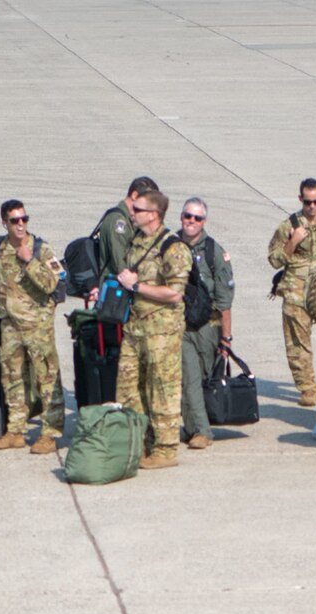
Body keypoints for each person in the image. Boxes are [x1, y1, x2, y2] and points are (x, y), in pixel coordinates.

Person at [113, 189, 192, 470]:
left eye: (137, 209)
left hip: (162, 330)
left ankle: (166, 448)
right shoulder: (137, 241)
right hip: (136, 326)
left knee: (162, 387)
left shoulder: (173, 247)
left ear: (154, 215)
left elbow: (174, 293)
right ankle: (141, 441)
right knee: (128, 387)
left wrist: (136, 286)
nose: (132, 213)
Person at [0, 199, 66, 453]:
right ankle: (16, 430)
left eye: (24, 219)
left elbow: (53, 284)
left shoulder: (41, 248)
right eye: (14, 220)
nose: (20, 225)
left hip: (37, 325)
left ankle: (49, 434)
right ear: (4, 222)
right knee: (13, 377)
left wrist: (29, 261)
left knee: (46, 378)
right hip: (10, 323)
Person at [267, 178, 316, 407]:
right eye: (308, 202)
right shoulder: (288, 226)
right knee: (298, 346)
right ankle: (307, 389)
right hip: (296, 294)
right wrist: (292, 242)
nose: (312, 206)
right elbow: (273, 259)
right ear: (300, 199)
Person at [178, 197, 236, 449]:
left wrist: (226, 338)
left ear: (204, 222)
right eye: (187, 216)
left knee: (202, 378)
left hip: (207, 328)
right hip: (180, 326)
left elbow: (225, 300)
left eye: (197, 218)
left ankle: (195, 427)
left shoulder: (214, 252)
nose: (191, 221)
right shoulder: (169, 246)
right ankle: (200, 430)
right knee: (188, 378)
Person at [90, 176, 159, 296]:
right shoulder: (118, 222)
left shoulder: (132, 222)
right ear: (135, 196)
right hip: (114, 294)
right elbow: (121, 266)